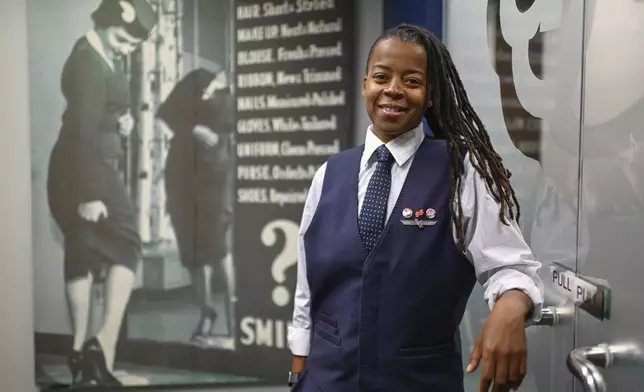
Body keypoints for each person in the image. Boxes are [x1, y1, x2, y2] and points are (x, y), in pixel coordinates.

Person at [287, 23, 545, 392]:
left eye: (412, 80)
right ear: (365, 86)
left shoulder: (462, 170)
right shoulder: (329, 174)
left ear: (430, 97)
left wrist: (511, 306)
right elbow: (307, 286)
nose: (393, 89)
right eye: (381, 77)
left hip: (418, 381)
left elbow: (510, 267)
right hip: (326, 381)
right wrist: (299, 368)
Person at [46, 0, 157, 386]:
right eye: (123, 39)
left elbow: (94, 118)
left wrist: (119, 122)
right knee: (127, 244)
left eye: (133, 44)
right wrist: (90, 193)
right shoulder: (90, 64)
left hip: (80, 167)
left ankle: (83, 357)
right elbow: (82, 131)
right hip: (87, 171)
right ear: (106, 23)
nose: (127, 47)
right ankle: (102, 349)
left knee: (82, 248)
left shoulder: (94, 54)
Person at [156, 68, 235, 344]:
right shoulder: (197, 78)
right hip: (180, 172)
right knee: (190, 246)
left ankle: (235, 315)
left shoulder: (239, 92)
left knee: (216, 245)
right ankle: (207, 313)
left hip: (216, 174)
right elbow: (164, 112)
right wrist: (192, 128)